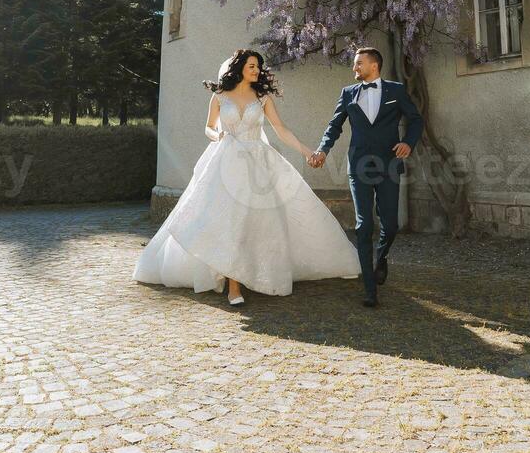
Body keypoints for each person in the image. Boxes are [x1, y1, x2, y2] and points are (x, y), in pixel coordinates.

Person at [133, 49, 360, 305]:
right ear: (239, 67)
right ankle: (233, 285)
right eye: (252, 66)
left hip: (257, 163)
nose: (257, 70)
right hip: (225, 161)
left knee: (250, 221)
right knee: (227, 219)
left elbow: (281, 129)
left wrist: (308, 152)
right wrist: (216, 135)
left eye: (258, 67)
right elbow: (209, 126)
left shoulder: (262, 98)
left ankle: (240, 279)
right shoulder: (219, 95)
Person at [308, 46, 423, 307]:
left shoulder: (396, 90)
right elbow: (334, 126)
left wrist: (408, 142)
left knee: (390, 225)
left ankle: (380, 258)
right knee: (364, 225)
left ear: (374, 65)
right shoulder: (348, 94)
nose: (354, 68)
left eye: (359, 64)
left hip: (390, 164)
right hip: (358, 165)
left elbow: (416, 120)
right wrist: (323, 150)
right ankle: (369, 288)